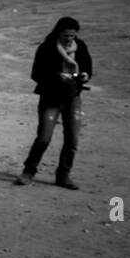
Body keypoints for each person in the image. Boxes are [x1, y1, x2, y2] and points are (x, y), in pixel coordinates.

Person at [15, 16, 92, 189]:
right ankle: (28, 172)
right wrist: (57, 77)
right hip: (50, 98)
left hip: (73, 97)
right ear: (58, 32)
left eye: (72, 35)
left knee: (72, 140)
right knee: (44, 138)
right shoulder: (47, 48)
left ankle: (63, 176)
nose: (69, 39)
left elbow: (87, 66)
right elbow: (36, 74)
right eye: (66, 35)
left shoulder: (81, 47)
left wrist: (85, 75)